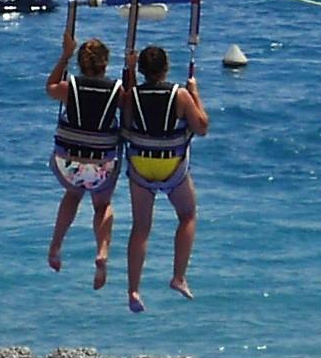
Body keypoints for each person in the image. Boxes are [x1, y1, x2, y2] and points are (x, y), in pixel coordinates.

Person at [115, 42, 209, 311]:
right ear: (166, 69)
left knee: (141, 227)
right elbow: (201, 127)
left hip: (142, 166)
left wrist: (129, 73)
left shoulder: (131, 95)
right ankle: (178, 277)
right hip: (171, 167)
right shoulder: (180, 96)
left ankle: (133, 290)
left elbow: (127, 120)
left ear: (143, 70)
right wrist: (195, 94)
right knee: (188, 215)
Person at [44, 35, 121, 282]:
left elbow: (50, 88)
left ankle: (56, 245)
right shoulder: (117, 91)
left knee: (73, 194)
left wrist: (65, 54)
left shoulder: (70, 88)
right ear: (105, 64)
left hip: (67, 164)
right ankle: (102, 252)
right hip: (101, 167)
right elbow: (130, 108)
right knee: (102, 205)